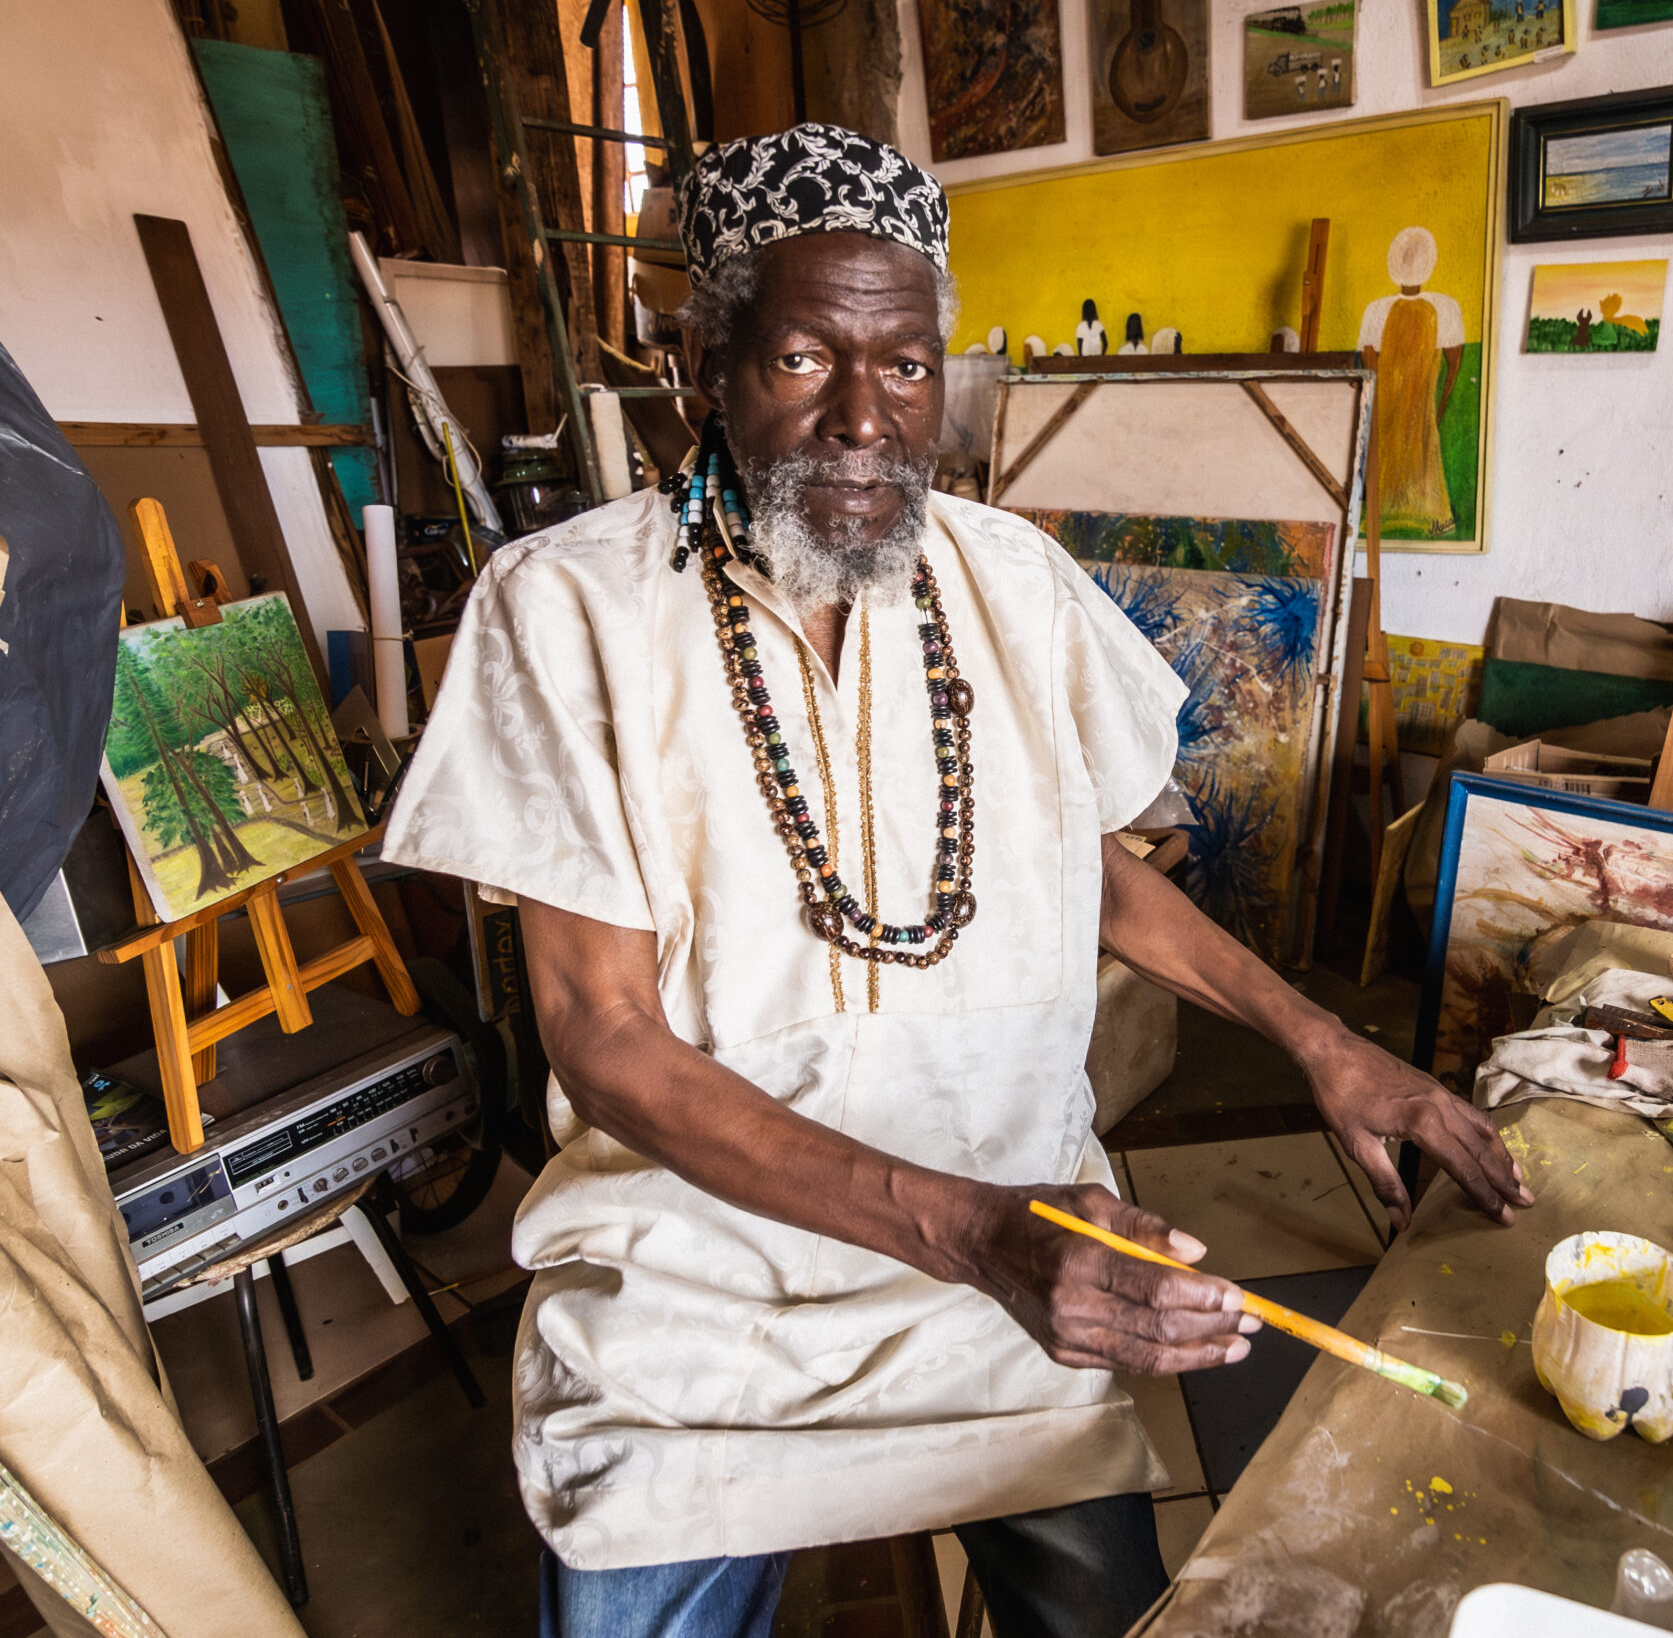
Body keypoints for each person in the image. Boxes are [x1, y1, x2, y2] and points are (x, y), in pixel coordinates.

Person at [384, 125, 1529, 1638]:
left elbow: (1094, 875)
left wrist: (1322, 1039)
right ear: (699, 369)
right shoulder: (566, 608)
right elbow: (600, 1029)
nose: (866, 418)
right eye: (804, 358)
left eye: (908, 366)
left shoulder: (1015, 582)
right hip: (700, 1302)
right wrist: (970, 1228)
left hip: (1013, 1279)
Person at [1356, 226, 1467, 537]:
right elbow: (1454, 365)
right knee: (1418, 449)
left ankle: (1386, 516)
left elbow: (1367, 366)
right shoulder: (1444, 307)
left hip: (1391, 408)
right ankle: (1434, 521)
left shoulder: (1377, 310)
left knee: (1398, 451)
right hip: (1414, 410)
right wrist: (1439, 406)